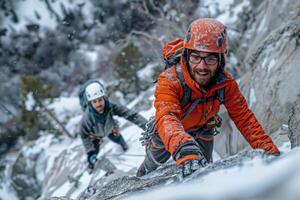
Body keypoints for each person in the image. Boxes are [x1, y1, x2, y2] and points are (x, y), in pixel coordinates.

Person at [137, 18, 280, 178]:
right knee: (150, 167)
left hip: (203, 128)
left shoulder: (225, 83)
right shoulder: (170, 79)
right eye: (196, 57)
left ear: (220, 60)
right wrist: (182, 145)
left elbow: (245, 120)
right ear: (186, 55)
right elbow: (166, 116)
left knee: (204, 172)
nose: (202, 66)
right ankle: (137, 180)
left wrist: (268, 151)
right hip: (168, 133)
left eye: (210, 58)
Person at [79, 81, 147, 171]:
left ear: (104, 98)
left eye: (100, 100)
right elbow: (84, 135)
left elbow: (130, 115)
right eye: (94, 101)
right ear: (90, 103)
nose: (98, 104)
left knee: (119, 139)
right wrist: (90, 151)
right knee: (93, 153)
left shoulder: (110, 106)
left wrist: (147, 126)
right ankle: (91, 165)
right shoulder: (87, 118)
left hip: (110, 128)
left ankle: (125, 147)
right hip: (96, 136)